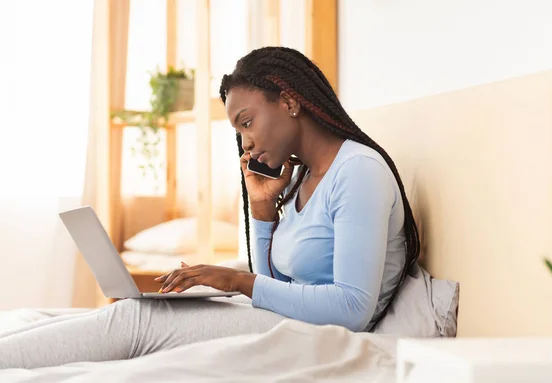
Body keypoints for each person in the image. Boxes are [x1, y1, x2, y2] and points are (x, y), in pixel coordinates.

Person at [0, 46, 419, 369]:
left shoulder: (359, 171)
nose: (245, 144)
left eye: (247, 122)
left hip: (324, 331)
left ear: (290, 101)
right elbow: (277, 283)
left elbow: (351, 309)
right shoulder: (304, 178)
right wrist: (262, 209)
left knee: (136, 322)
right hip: (294, 318)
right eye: (238, 131)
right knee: (132, 311)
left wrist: (236, 282)